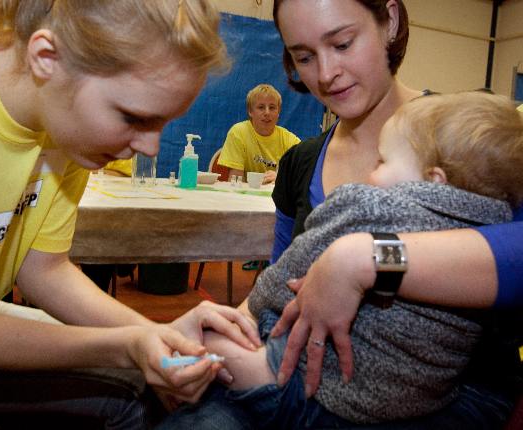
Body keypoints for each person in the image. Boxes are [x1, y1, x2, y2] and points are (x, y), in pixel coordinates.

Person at [0, 1, 261, 428]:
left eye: (162, 123)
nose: (150, 148)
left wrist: (158, 336)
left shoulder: (64, 109)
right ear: (47, 58)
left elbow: (43, 271)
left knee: (148, 394)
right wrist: (128, 345)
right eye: (134, 118)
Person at [156, 90, 523, 428]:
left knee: (205, 343)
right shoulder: (494, 223)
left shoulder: (367, 205)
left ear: (433, 180)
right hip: (419, 398)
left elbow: (291, 267)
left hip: (316, 387)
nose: (370, 173)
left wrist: (248, 315)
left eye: (382, 161)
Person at [267, 0, 522, 428]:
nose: (325, 73)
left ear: (391, 21)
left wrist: (370, 259)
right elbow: (278, 282)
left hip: (454, 391)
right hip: (307, 376)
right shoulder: (299, 161)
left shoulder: (472, 140)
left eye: (343, 43)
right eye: (304, 57)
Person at [217, 83, 300, 185]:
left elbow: (304, 176)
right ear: (250, 111)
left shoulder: (289, 140)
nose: (267, 113)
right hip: (245, 198)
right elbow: (235, 182)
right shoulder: (238, 133)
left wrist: (281, 177)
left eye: (272, 107)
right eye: (261, 107)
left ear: (278, 112)